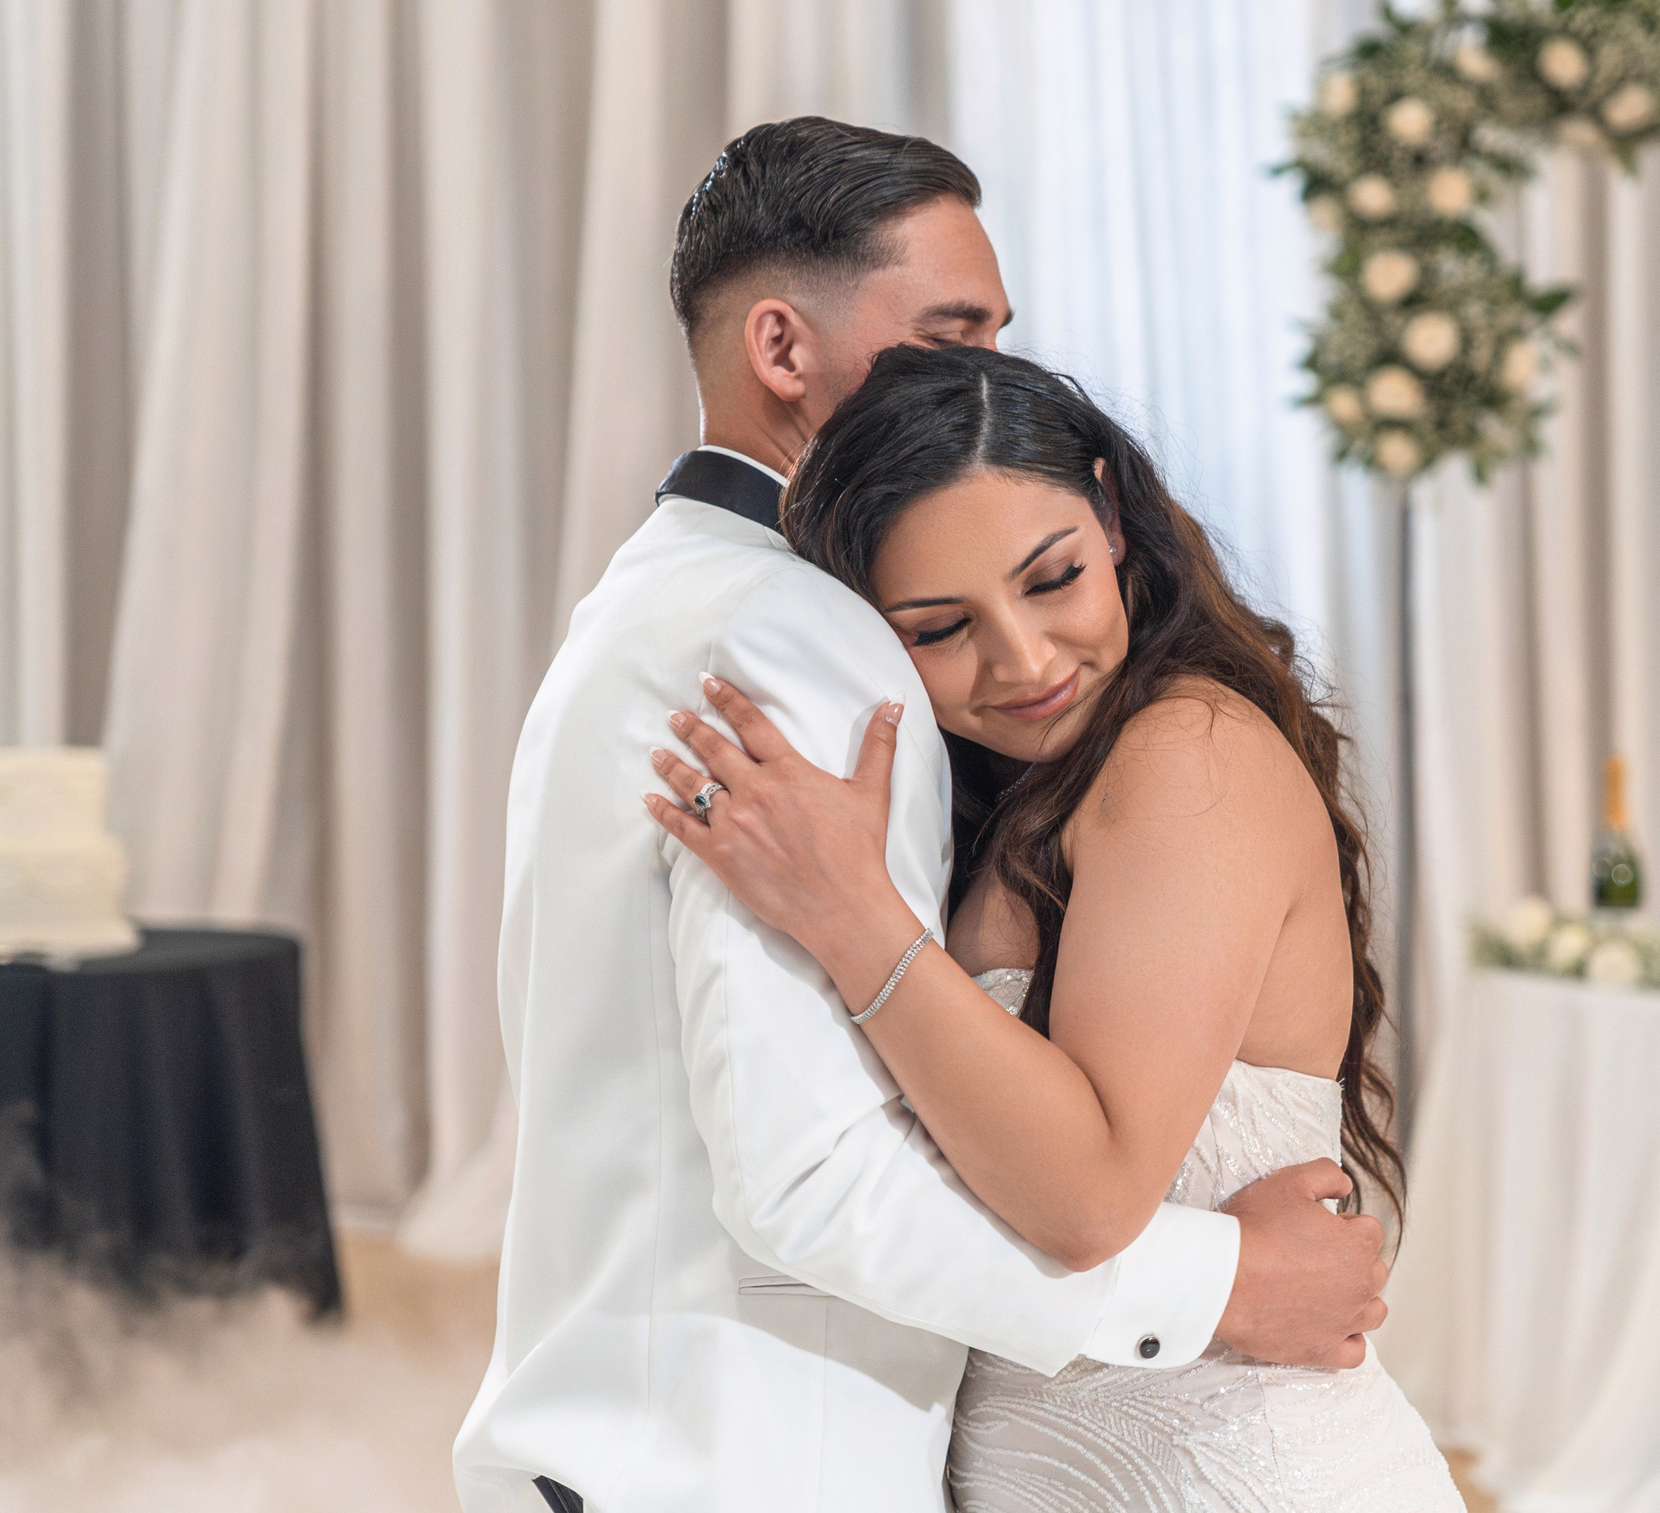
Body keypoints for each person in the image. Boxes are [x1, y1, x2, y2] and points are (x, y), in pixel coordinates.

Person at [454, 117, 1391, 1513]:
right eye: (950, 336)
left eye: (998, 336)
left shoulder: (650, 601)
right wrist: (1222, 1284)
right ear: (781, 347)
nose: (989, 376)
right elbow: (813, 1174)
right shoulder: (792, 633)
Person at [644, 343, 1464, 1512]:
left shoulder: (1185, 756)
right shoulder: (1027, 793)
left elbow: (1088, 1198)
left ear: (1112, 519)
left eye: (1052, 578)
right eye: (940, 627)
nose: (1024, 660)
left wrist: (851, 914)